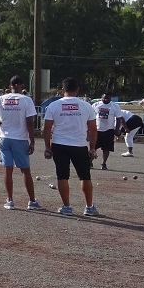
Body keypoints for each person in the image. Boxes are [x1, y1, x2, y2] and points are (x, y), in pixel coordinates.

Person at [0, 75, 40, 210]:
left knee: (8, 169)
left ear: (9, 86)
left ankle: (10, 200)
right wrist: (32, 141)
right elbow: (30, 123)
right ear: (22, 86)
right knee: (25, 170)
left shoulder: (2, 98)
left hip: (3, 137)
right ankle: (32, 201)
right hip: (20, 138)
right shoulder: (26, 100)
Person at [43, 77, 99, 216]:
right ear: (77, 90)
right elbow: (93, 129)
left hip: (59, 145)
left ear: (63, 90)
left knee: (62, 176)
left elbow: (47, 128)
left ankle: (66, 207)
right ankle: (89, 207)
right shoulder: (86, 106)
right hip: (79, 145)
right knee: (85, 176)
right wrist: (92, 148)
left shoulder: (54, 106)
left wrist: (47, 147)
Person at [91, 92, 126, 170]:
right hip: (97, 130)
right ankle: (90, 162)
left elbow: (119, 118)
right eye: (104, 98)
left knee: (106, 149)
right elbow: (90, 117)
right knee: (93, 147)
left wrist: (117, 129)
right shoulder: (96, 105)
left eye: (108, 98)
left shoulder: (114, 106)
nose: (106, 100)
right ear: (101, 97)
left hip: (108, 130)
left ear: (111, 99)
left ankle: (103, 163)